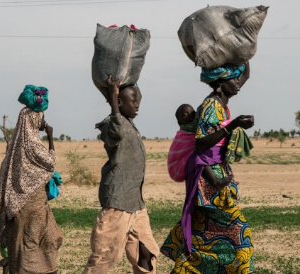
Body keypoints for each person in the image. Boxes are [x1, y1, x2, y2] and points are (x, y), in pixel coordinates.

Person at [161, 62, 256, 273]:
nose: (238, 83)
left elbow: (244, 76)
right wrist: (234, 125)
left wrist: (245, 56)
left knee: (202, 235)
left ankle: (184, 268)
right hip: (210, 182)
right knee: (241, 239)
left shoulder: (222, 103)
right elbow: (201, 144)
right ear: (220, 84)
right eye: (234, 79)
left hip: (218, 174)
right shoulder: (211, 106)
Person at [83, 78, 159, 273]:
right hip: (117, 204)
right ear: (118, 103)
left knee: (147, 253)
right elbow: (116, 132)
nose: (137, 105)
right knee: (104, 257)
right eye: (132, 101)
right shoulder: (112, 124)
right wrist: (114, 99)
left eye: (138, 100)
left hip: (136, 203)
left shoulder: (129, 123)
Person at [0, 85, 62, 274]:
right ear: (34, 120)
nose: (44, 122)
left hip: (18, 208)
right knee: (35, 244)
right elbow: (51, 162)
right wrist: (51, 137)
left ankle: (6, 267)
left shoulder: (14, 149)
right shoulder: (34, 147)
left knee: (22, 245)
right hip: (33, 207)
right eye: (42, 118)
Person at [167, 104, 232, 186]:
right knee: (198, 157)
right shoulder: (186, 131)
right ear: (179, 122)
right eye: (185, 115)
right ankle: (215, 181)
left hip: (186, 163)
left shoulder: (197, 128)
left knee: (203, 155)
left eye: (193, 113)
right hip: (176, 166)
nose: (191, 116)